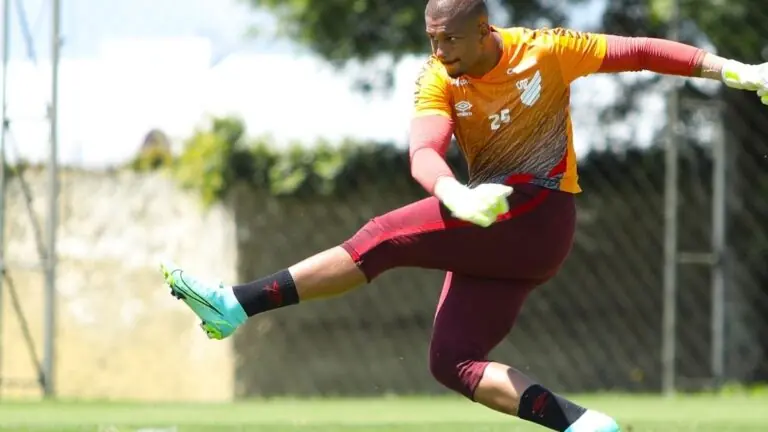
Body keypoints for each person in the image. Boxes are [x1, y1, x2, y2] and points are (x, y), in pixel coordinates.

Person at [159, 0, 768, 430]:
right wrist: (453, 193)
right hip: (489, 222)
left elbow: (639, 50)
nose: (439, 51)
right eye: (431, 39)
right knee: (453, 362)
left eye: (450, 39)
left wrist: (733, 70)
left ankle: (236, 304)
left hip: (536, 213)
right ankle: (588, 427)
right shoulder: (439, 77)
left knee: (381, 238)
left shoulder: (547, 52)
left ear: (484, 29)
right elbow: (423, 150)